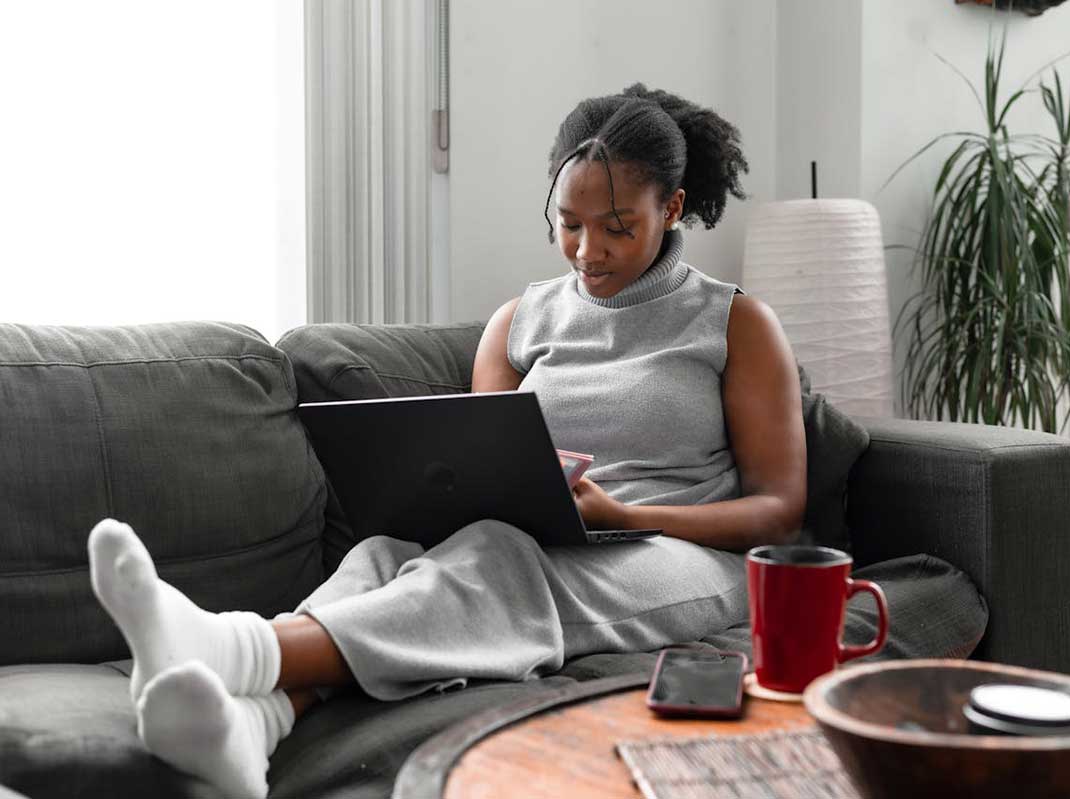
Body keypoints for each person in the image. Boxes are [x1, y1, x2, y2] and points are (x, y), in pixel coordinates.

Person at [86, 84, 806, 798]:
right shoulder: (519, 320)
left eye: (617, 225)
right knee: (382, 555)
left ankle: (237, 648)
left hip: (687, 558)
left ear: (672, 208)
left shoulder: (734, 323)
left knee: (498, 557)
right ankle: (259, 725)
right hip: (554, 538)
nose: (588, 250)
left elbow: (778, 510)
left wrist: (621, 515)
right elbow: (479, 460)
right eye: (569, 223)